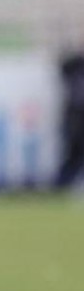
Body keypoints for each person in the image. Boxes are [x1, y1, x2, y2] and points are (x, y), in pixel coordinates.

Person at [54, 48, 84, 189]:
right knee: (72, 155)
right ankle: (60, 187)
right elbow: (64, 66)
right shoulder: (75, 65)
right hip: (75, 118)